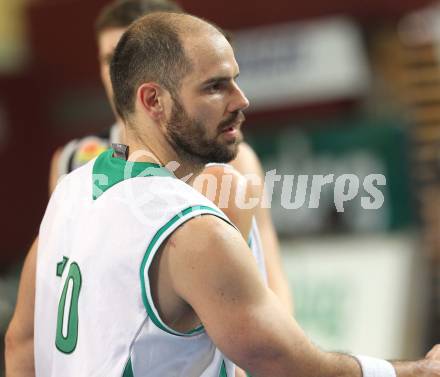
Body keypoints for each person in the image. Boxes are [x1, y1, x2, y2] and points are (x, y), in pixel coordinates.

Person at [16, 11, 440, 376]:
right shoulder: (188, 227)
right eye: (215, 86)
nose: (242, 100)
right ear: (153, 100)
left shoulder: (69, 189)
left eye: (235, 81)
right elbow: (282, 362)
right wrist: (417, 370)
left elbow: (21, 342)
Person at [5, 1, 291, 376]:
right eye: (109, 57)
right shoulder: (74, 163)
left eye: (130, 50)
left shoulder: (230, 165)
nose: (117, 70)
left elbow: (267, 289)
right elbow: (52, 301)